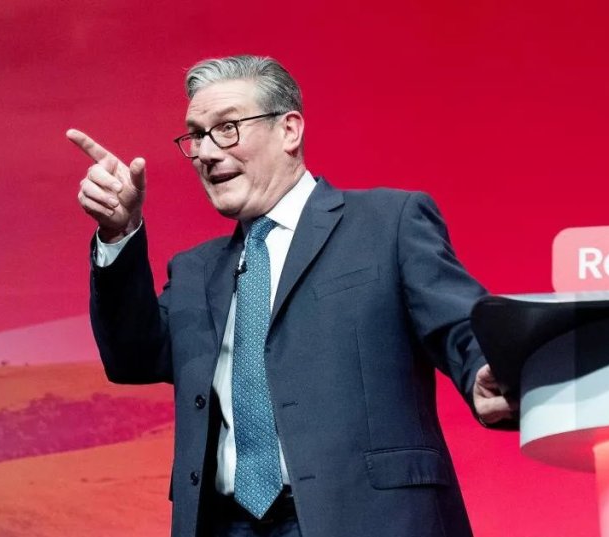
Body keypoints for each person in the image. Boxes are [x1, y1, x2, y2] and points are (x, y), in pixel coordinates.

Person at [69, 55, 516, 537]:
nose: (207, 152)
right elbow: (133, 357)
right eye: (196, 136)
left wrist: (481, 371)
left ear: (289, 130)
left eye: (227, 128)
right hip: (225, 525)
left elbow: (459, 323)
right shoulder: (197, 270)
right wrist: (120, 234)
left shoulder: (387, 223)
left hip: (367, 518)